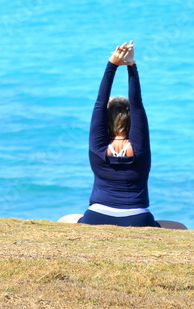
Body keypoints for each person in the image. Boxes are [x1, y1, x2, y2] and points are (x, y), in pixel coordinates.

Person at [58, 41, 186, 229]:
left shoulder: (98, 146)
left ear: (106, 120)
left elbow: (99, 104)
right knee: (180, 227)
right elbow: (137, 103)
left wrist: (112, 65)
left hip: (97, 215)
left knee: (65, 219)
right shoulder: (139, 147)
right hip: (138, 218)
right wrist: (131, 65)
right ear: (133, 120)